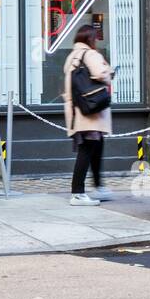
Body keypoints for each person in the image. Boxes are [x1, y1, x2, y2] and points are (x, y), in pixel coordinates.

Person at [62, 24, 112, 206]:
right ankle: (77, 193)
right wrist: (109, 72)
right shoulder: (91, 54)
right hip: (90, 111)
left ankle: (99, 186)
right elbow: (101, 73)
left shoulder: (72, 56)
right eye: (95, 38)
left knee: (96, 147)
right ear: (90, 39)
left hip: (78, 109)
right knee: (86, 150)